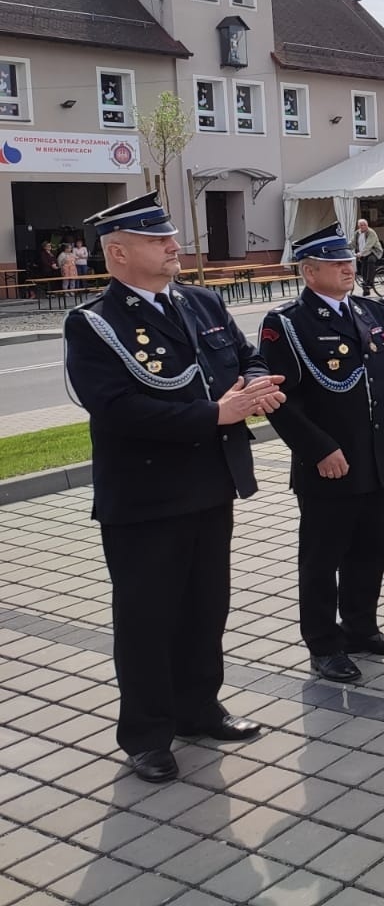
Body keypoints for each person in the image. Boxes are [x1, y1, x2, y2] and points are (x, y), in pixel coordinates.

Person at [64, 191, 284, 783]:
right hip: (146, 497)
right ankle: (146, 734)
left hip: (211, 484)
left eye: (170, 236)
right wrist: (216, 415)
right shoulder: (94, 323)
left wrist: (257, 388)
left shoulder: (201, 301)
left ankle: (198, 708)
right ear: (117, 253)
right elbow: (116, 409)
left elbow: (247, 357)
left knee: (205, 607)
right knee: (146, 618)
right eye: (157, 240)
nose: (173, 246)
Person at [259, 223, 384, 683]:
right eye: (336, 263)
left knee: (368, 549)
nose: (347, 268)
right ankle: (322, 643)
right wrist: (318, 449)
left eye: (348, 260)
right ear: (309, 270)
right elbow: (281, 400)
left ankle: (361, 627)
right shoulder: (288, 323)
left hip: (376, 455)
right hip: (329, 463)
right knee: (322, 557)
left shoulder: (370, 311)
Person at [354, 218, 383, 295]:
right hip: (363, 254)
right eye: (361, 225)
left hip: (374, 252)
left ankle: (370, 282)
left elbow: (368, 245)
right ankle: (366, 290)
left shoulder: (371, 233)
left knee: (370, 261)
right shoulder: (357, 233)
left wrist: (361, 253)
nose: (363, 226)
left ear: (367, 225)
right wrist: (344, 247)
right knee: (363, 270)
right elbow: (352, 243)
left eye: (364, 225)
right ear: (358, 226)